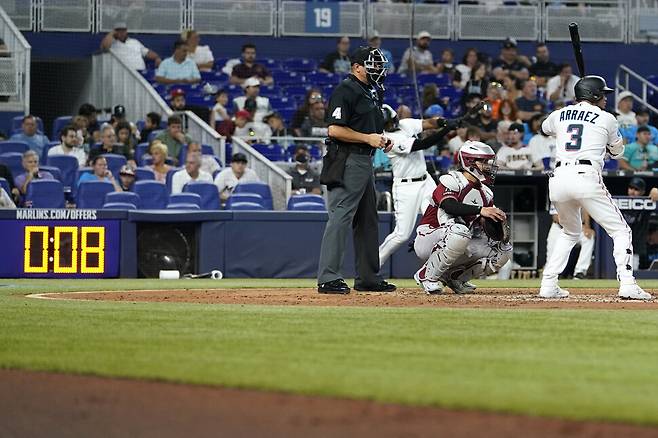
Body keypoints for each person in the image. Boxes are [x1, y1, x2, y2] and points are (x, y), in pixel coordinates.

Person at [539, 75, 651, 300]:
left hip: (558, 178)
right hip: (585, 176)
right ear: (594, 95)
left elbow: (545, 128)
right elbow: (618, 152)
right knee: (621, 230)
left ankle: (548, 283)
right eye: (603, 94)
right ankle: (627, 283)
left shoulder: (559, 114)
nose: (606, 99)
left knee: (570, 232)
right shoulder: (607, 118)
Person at [317, 46, 395, 294]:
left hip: (365, 161)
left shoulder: (370, 91)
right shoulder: (346, 89)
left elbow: (368, 130)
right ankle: (328, 277)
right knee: (341, 216)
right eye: (372, 64)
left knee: (368, 220)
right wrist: (367, 138)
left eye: (379, 65)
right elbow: (334, 130)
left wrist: (380, 139)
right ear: (356, 66)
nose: (378, 69)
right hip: (347, 159)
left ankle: (368, 277)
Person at [413, 141, 512, 294]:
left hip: (458, 239)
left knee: (503, 250)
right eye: (483, 161)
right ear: (469, 162)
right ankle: (427, 276)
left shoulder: (486, 193)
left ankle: (455, 278)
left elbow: (482, 224)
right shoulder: (452, 180)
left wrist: (496, 226)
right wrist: (481, 210)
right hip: (430, 235)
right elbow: (449, 205)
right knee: (459, 231)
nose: (488, 166)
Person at [378, 104, 456, 267]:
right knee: (402, 235)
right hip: (406, 187)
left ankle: (443, 270)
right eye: (386, 124)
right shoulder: (387, 139)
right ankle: (373, 265)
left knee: (442, 221)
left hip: (426, 181)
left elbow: (428, 123)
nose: (390, 126)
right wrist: (447, 129)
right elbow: (423, 144)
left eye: (391, 122)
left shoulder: (404, 124)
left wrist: (443, 122)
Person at [545, 204, 595, 280]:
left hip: (576, 228)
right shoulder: (557, 194)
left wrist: (587, 227)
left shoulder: (579, 193)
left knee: (588, 237)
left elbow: (585, 210)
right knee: (550, 261)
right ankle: (552, 276)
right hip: (559, 228)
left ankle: (580, 272)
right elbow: (556, 217)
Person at [623, 177, 652, 270]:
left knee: (632, 271)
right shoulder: (620, 203)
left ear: (643, 192)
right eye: (631, 188)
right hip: (620, 245)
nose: (632, 191)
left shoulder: (646, 204)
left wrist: (655, 190)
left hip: (635, 248)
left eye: (636, 189)